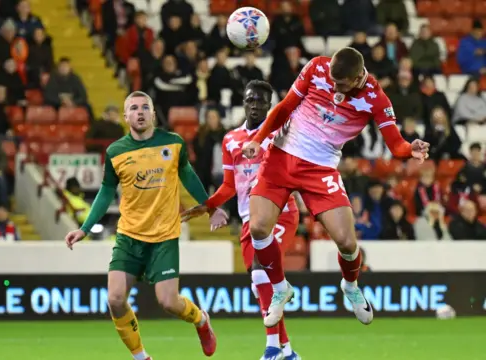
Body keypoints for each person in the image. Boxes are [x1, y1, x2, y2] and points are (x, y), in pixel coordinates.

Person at [240, 48, 430, 327]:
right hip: (281, 157)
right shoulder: (318, 67)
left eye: (340, 84)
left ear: (356, 80)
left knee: (347, 242)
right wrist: (259, 138)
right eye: (332, 79)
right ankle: (281, 289)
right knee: (258, 227)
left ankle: (350, 286)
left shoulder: (376, 99)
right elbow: (284, 107)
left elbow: (395, 143)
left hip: (320, 168)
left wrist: (409, 148)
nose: (334, 87)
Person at [64, 91, 226, 360]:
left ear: (153, 114)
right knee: (115, 298)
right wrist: (84, 228)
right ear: (126, 117)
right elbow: (106, 192)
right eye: (133, 108)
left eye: (144, 107)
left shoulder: (173, 143)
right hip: (129, 235)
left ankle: (200, 319)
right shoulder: (116, 151)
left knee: (168, 302)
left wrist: (211, 207)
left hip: (164, 236)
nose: (139, 112)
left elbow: (188, 176)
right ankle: (141, 356)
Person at [181, 80, 301, 360]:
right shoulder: (230, 140)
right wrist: (208, 206)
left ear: (270, 105)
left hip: (280, 213)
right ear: (244, 103)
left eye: (261, 101)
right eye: (251, 100)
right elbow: (229, 185)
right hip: (250, 218)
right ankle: (288, 351)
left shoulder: (281, 134)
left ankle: (272, 349)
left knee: (262, 272)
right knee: (261, 285)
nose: (255, 105)